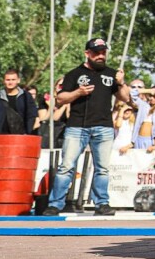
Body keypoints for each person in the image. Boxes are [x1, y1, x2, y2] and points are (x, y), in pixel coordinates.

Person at [44, 38, 131, 216]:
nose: (100, 56)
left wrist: (121, 82)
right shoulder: (74, 74)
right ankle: (55, 204)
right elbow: (60, 99)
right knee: (66, 166)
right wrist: (78, 92)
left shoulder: (111, 74)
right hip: (77, 127)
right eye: (96, 52)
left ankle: (102, 203)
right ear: (87, 54)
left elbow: (125, 98)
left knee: (102, 168)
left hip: (104, 127)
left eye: (103, 52)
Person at [0, 71, 39, 155]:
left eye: (13, 79)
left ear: (18, 80)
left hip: (20, 139)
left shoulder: (26, 97)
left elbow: (31, 116)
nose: (10, 82)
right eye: (8, 80)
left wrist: (27, 133)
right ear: (4, 81)